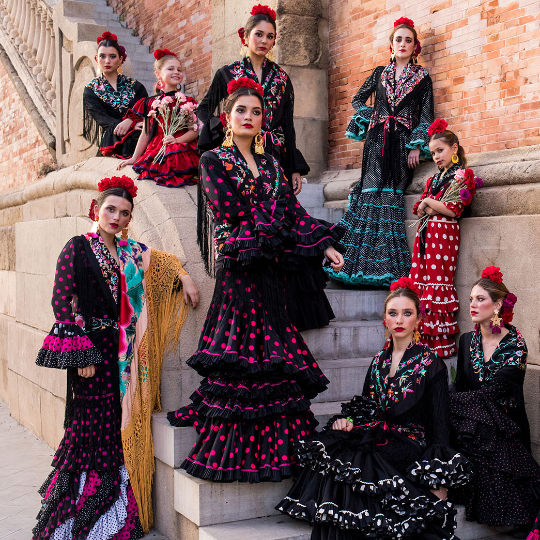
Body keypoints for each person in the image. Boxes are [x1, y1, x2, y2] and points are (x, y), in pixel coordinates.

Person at [167, 78, 345, 483]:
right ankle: (235, 446)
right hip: (241, 266)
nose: (249, 117)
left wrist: (322, 246)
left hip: (273, 271)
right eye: (241, 111)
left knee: (275, 353)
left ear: (264, 119)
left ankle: (279, 445)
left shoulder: (272, 165)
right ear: (227, 117)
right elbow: (232, 213)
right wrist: (276, 226)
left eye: (257, 112)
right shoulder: (213, 160)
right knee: (241, 354)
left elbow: (292, 213)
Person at [32, 175, 200, 539]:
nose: (116, 217)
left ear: (128, 218)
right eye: (110, 209)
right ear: (96, 209)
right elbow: (62, 303)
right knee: (88, 427)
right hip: (89, 350)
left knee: (114, 426)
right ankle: (77, 518)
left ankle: (114, 512)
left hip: (122, 354)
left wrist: (185, 277)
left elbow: (165, 261)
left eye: (124, 213)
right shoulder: (77, 247)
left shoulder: (130, 252)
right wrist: (80, 355)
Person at [277, 277, 471, 540]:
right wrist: (347, 420)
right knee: (336, 446)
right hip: (378, 433)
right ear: (385, 319)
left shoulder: (430, 362)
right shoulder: (379, 360)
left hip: (410, 441)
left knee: (356, 459)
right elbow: (367, 405)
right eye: (393, 313)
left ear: (418, 319)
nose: (399, 320)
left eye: (407, 313)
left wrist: (438, 480)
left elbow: (440, 423)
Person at [328, 17, 434, 287]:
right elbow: (356, 100)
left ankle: (386, 270)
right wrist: (373, 115)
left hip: (401, 146)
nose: (403, 44)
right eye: (398, 39)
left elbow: (426, 116)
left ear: (415, 47)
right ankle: (353, 267)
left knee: (391, 198)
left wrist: (416, 146)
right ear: (391, 44)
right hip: (375, 144)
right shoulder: (379, 74)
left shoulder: (422, 78)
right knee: (369, 193)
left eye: (408, 40)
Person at [450, 266, 540, 537]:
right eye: (470, 299)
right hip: (472, 427)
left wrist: (455, 403)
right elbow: (460, 389)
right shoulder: (466, 341)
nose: (472, 305)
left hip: (505, 430)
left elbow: (493, 393)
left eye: (480, 299)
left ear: (498, 304)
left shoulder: (516, 345)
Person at [196, 4, 308, 196]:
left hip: (273, 154)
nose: (264, 40)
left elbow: (288, 127)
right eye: (259, 34)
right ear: (245, 37)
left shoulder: (282, 79)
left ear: (274, 42)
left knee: (276, 211)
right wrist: (224, 127)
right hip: (238, 152)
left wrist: (294, 168)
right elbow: (204, 109)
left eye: (270, 36)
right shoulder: (227, 73)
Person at [409, 118, 478, 357]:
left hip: (443, 237)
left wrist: (430, 203)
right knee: (423, 283)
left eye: (440, 151)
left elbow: (453, 209)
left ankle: (439, 345)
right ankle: (422, 341)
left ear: (454, 148)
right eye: (433, 153)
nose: (436, 157)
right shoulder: (433, 179)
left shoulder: (462, 176)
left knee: (438, 282)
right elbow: (418, 208)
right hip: (426, 236)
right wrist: (429, 204)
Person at [117, 48, 200, 187]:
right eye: (170, 69)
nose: (176, 72)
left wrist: (176, 140)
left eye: (179, 69)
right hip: (158, 146)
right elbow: (146, 132)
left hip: (181, 145)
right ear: (158, 74)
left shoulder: (187, 101)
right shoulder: (150, 102)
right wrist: (134, 158)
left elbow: (194, 131)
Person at [83, 31, 148, 158]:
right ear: (96, 59)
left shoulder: (136, 86)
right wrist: (128, 124)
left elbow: (145, 109)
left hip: (139, 132)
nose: (107, 61)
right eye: (102, 56)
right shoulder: (91, 89)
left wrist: (131, 121)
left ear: (120, 60)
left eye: (112, 56)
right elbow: (102, 119)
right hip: (113, 137)